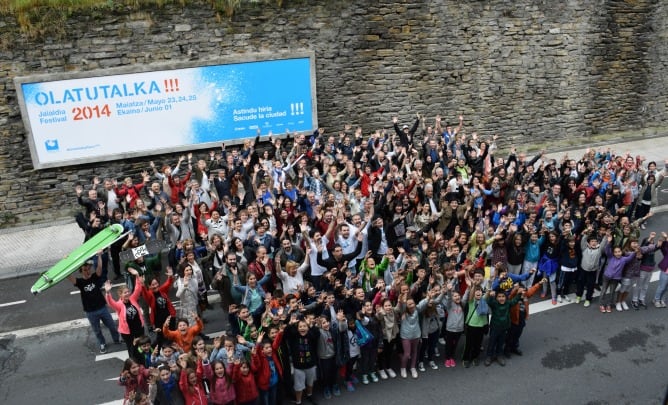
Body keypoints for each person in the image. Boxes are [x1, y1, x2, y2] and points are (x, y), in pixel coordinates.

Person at [67, 251, 121, 354]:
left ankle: (117, 340)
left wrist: (99, 255)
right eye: (84, 270)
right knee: (97, 330)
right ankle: (102, 343)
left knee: (112, 326)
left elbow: (99, 269)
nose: (87, 271)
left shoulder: (94, 277)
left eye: (88, 269)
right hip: (90, 312)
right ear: (81, 271)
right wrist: (67, 262)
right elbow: (69, 276)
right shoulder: (79, 282)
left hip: (102, 308)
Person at [105, 269, 146, 357]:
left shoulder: (133, 298)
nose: (127, 294)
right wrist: (108, 292)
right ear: (120, 295)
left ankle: (142, 359)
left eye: (128, 292)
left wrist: (137, 275)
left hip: (138, 327)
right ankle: (133, 363)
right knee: (131, 348)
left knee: (142, 345)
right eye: (125, 293)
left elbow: (138, 289)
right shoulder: (119, 305)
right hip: (127, 332)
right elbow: (110, 303)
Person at [484, 286, 524, 367]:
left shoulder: (508, 303)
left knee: (501, 342)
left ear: (506, 297)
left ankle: (499, 355)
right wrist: (490, 296)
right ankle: (489, 356)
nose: (501, 298)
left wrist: (519, 294)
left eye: (503, 296)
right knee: (492, 342)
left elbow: (514, 301)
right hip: (495, 328)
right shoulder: (494, 304)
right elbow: (488, 301)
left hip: (505, 328)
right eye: (499, 297)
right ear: (496, 298)